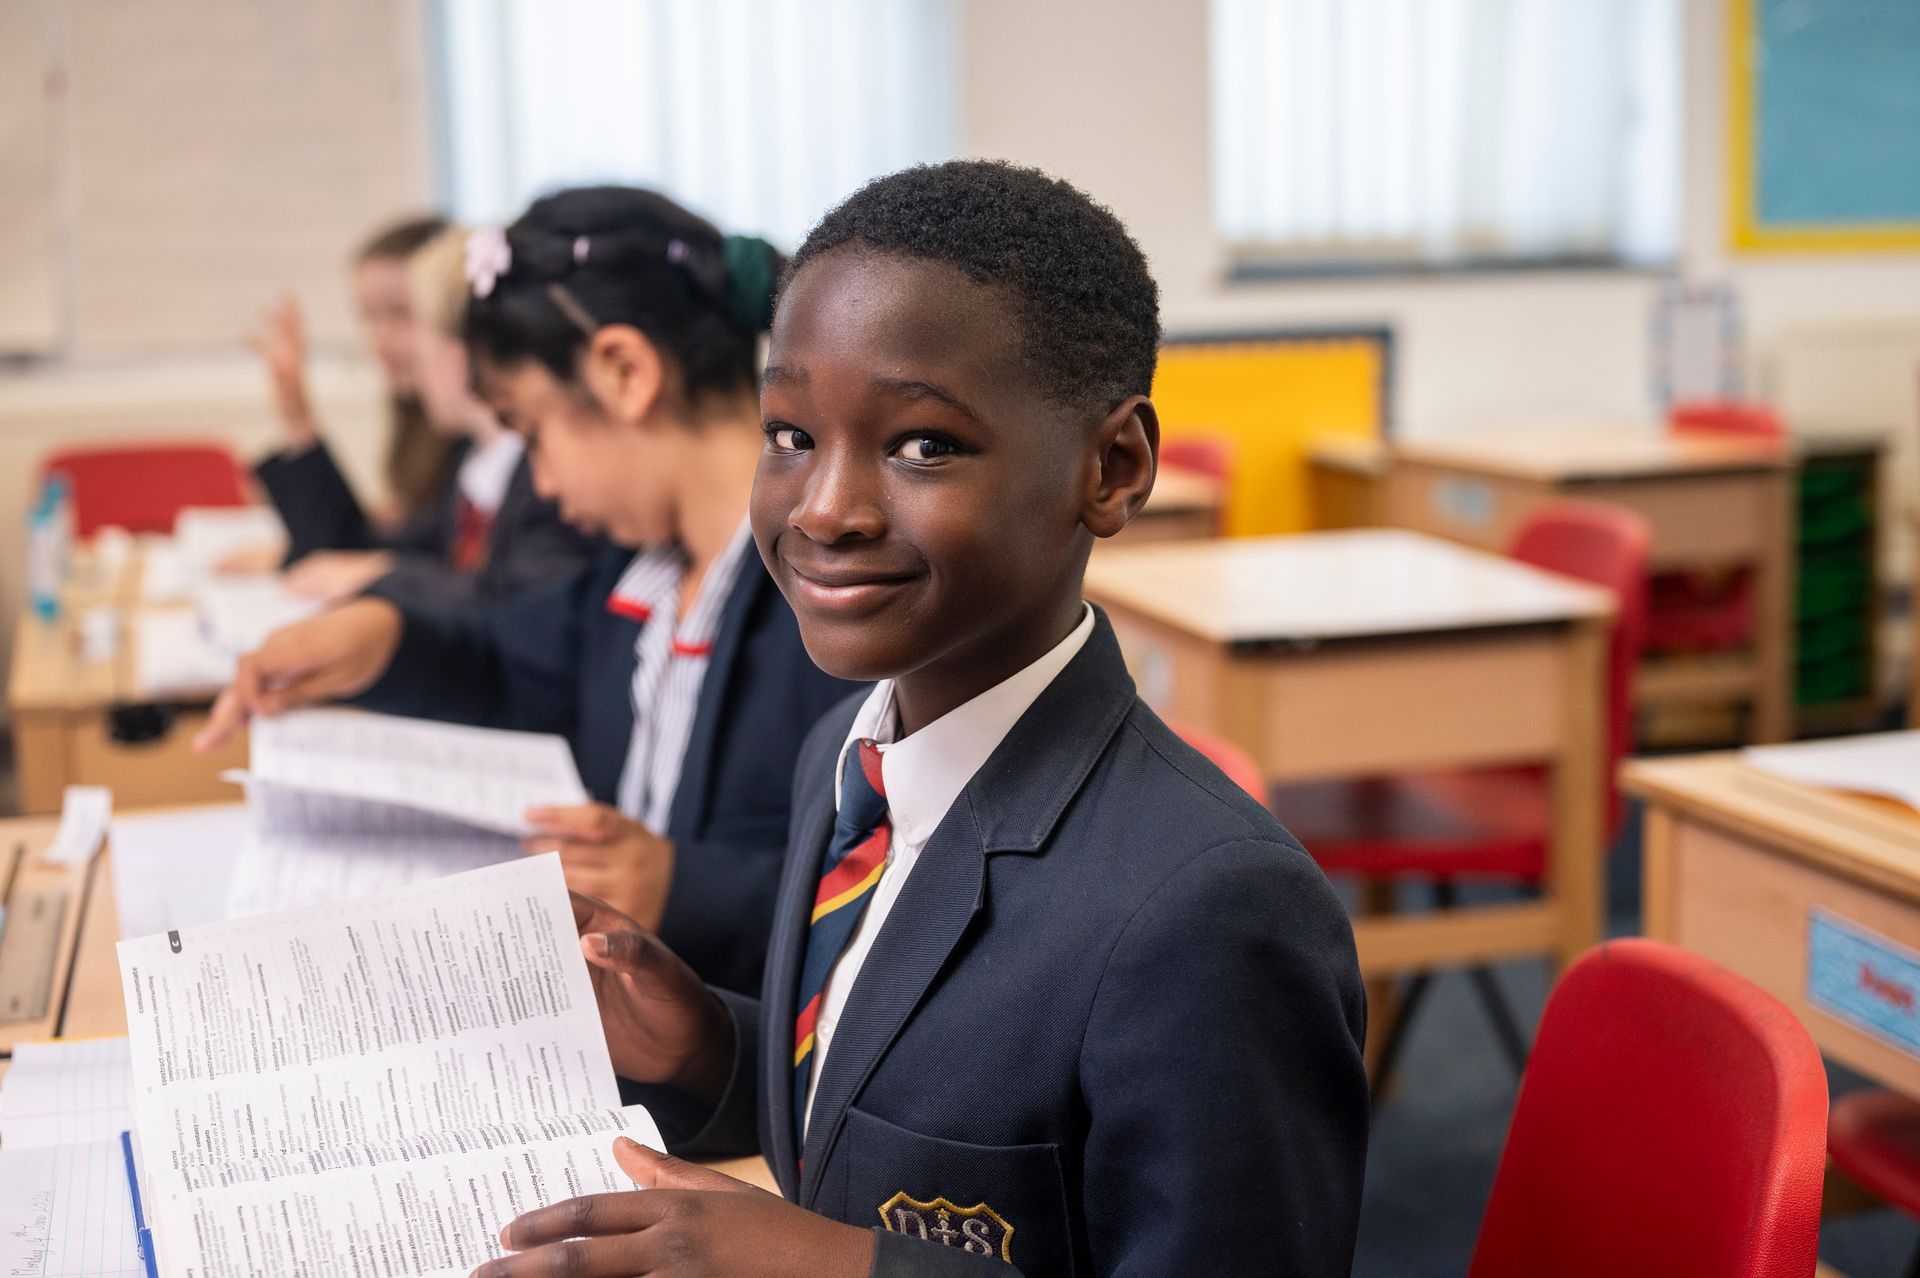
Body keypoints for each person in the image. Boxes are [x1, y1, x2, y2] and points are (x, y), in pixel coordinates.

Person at [478, 161, 1369, 1277]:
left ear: (1114, 467)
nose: (825, 509)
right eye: (791, 434)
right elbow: (887, 1104)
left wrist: (834, 1269)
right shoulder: (845, 759)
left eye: (922, 447)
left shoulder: (1211, 913)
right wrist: (711, 1046)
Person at [196, 187, 858, 997]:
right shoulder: (638, 574)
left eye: (534, 433)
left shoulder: (832, 602)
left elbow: (892, 894)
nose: (538, 482)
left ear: (624, 372)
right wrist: (379, 637)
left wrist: (680, 890)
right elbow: (509, 664)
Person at [254, 226, 598, 607]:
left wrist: (387, 575)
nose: (392, 346)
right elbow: (380, 549)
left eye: (407, 320)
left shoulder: (540, 472)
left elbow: (520, 600)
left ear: (463, 348)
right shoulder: (473, 461)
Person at [241, 215, 460, 561]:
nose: (381, 338)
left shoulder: (467, 429)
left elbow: (426, 561)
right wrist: (297, 412)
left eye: (401, 312)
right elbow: (369, 543)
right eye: (369, 315)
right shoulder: (415, 414)